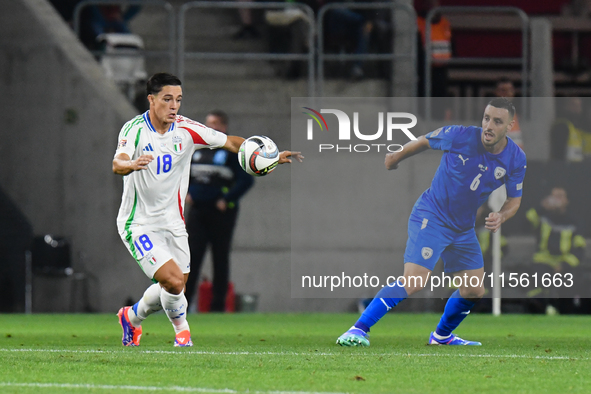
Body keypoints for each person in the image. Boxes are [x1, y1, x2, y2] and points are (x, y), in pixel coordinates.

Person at [113, 73, 302, 347]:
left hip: (174, 223)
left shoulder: (187, 129)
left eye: (178, 99)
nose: (174, 105)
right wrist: (130, 165)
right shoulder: (133, 130)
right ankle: (183, 332)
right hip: (138, 223)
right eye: (167, 99)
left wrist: (267, 156)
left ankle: (131, 317)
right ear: (151, 100)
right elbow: (117, 163)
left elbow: (231, 142)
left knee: (174, 284)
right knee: (175, 282)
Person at [337, 97, 526, 347]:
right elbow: (425, 140)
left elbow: (514, 200)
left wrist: (501, 215)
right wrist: (396, 156)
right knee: (414, 281)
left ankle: (442, 336)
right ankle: (357, 329)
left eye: (497, 121)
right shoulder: (460, 135)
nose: (488, 125)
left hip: (463, 228)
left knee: (474, 291)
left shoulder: (515, 159)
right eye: (486, 118)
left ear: (510, 126)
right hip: (432, 216)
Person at [184, 110, 254, 312]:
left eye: (214, 123)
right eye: (208, 123)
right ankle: (184, 305)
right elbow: (183, 175)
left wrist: (227, 199)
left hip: (221, 212)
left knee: (220, 258)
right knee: (191, 258)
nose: (210, 127)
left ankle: (217, 307)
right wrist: (186, 193)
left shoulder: (232, 150)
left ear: (223, 127)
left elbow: (246, 180)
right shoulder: (197, 150)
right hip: (197, 210)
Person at [525, 187, 587, 314]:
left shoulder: (575, 222)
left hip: (565, 262)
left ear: (567, 201)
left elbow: (579, 251)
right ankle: (539, 309)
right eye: (553, 196)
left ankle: (565, 312)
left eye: (560, 196)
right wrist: (542, 207)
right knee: (536, 276)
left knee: (573, 281)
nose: (556, 200)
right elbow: (525, 222)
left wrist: (563, 265)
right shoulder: (542, 217)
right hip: (543, 260)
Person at [494, 78, 524, 149]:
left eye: (510, 90)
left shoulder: (516, 114)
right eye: (503, 90)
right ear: (496, 92)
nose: (507, 93)